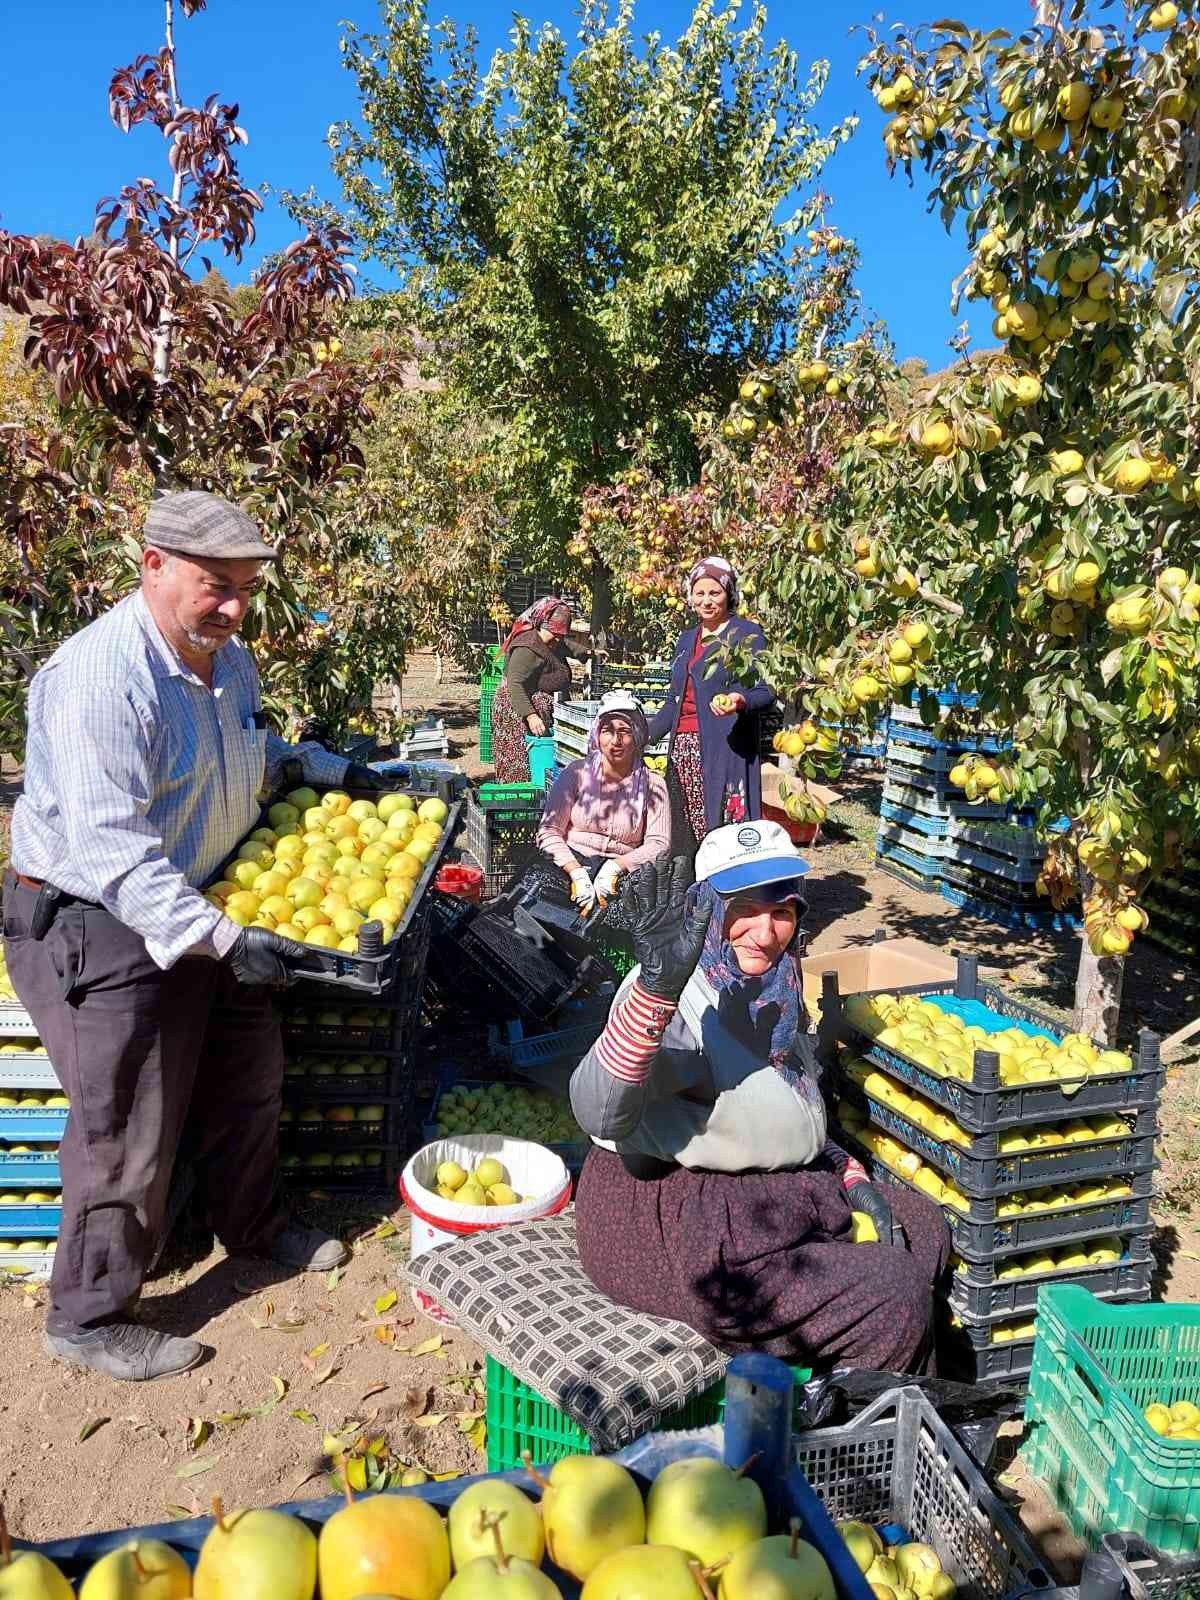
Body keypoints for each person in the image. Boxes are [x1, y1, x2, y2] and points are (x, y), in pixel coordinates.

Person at [2, 490, 404, 1382]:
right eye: (213, 585)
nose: (232, 607)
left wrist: (339, 772)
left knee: (247, 1078)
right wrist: (221, 940)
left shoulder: (230, 662)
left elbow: (250, 756)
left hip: (212, 898)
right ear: (153, 565)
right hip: (102, 921)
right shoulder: (104, 679)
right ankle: (91, 1313)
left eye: (246, 591)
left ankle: (253, 1226)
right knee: (129, 1121)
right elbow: (111, 849)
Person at [570, 824, 950, 1373]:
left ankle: (844, 1381)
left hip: (763, 1200)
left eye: (782, 910)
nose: (765, 932)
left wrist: (846, 1173)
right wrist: (655, 992)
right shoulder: (678, 1000)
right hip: (686, 1229)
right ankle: (865, 1441)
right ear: (704, 907)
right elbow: (601, 1107)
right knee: (895, 1293)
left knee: (923, 1228)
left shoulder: (773, 988)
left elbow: (788, 1111)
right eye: (742, 907)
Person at [648, 557, 775, 848]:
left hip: (725, 748)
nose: (706, 601)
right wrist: (643, 734)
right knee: (685, 831)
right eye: (700, 593)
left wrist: (739, 700)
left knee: (723, 832)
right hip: (683, 750)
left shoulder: (746, 634)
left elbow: (765, 690)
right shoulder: (686, 640)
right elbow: (673, 701)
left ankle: (725, 890)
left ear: (729, 594)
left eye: (714, 593)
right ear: (690, 596)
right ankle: (692, 889)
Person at [535, 693, 670, 917]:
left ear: (637, 737)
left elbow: (659, 844)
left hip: (623, 873)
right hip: (572, 860)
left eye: (625, 731)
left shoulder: (653, 785)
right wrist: (575, 872)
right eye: (607, 730)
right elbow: (549, 830)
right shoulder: (576, 773)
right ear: (597, 735)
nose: (615, 741)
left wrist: (616, 866)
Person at [490, 597, 593, 783]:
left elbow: (566, 645)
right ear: (540, 625)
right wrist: (530, 715)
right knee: (520, 762)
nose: (558, 638)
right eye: (555, 633)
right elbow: (515, 683)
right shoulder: (528, 647)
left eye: (561, 634)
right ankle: (519, 797)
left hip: (536, 704)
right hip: (516, 709)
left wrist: (586, 654)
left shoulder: (551, 640)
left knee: (540, 763)